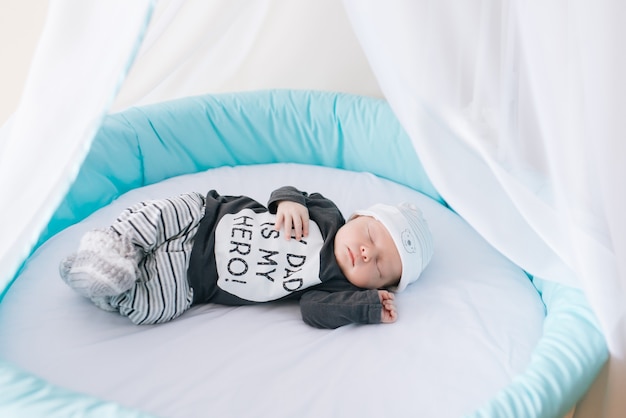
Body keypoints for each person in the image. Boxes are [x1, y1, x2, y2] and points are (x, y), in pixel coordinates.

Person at [59, 186, 434, 329]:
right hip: (203, 219)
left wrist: (364, 307)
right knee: (153, 219)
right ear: (357, 217)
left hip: (194, 279)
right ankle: (110, 247)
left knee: (152, 306)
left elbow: (313, 312)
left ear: (381, 286)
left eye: (381, 266)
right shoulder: (327, 214)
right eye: (370, 235)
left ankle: (106, 285)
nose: (367, 253)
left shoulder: (333, 287)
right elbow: (291, 192)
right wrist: (289, 201)